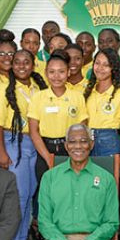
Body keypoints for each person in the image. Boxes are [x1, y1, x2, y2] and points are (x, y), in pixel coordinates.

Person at [0, 49, 47, 240]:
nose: (22, 66)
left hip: (34, 143)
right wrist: (1, 152)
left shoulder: (37, 88)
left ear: (33, 65)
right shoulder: (2, 89)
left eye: (26, 62)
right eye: (17, 62)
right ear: (11, 65)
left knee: (29, 196)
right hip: (12, 143)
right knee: (17, 199)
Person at [28, 51, 89, 188]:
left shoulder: (77, 97)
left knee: (71, 191)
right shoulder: (38, 97)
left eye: (61, 71)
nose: (56, 76)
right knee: (46, 191)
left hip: (70, 149)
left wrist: (74, 152)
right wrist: (48, 157)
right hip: (44, 149)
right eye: (52, 72)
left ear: (68, 72)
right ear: (46, 73)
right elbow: (33, 131)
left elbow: (82, 128)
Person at [83, 48, 120, 157]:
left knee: (108, 173)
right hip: (87, 141)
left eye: (106, 65)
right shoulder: (87, 91)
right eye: (97, 63)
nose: (100, 68)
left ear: (113, 68)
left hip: (110, 142)